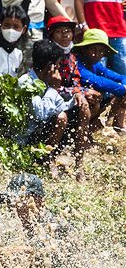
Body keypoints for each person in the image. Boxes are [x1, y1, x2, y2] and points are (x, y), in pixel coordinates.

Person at [20, 39, 90, 176]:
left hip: (46, 132)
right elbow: (39, 114)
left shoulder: (47, 80)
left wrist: (76, 99)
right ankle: (47, 159)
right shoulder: (26, 82)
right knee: (61, 117)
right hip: (30, 140)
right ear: (49, 66)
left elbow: (60, 105)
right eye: (57, 65)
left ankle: (79, 163)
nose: (59, 69)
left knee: (83, 108)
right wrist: (53, 89)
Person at [73, 28, 126, 132]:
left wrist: (124, 87)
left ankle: (115, 127)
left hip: (90, 106)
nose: (97, 54)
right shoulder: (77, 65)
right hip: (74, 105)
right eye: (93, 49)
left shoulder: (96, 65)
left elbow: (121, 77)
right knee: (96, 97)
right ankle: (85, 133)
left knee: (121, 95)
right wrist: (123, 88)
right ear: (84, 49)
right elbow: (99, 82)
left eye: (101, 51)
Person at [74, 0, 126, 75]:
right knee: (96, 75)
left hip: (120, 31)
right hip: (94, 32)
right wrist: (83, 26)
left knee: (122, 74)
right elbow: (78, 0)